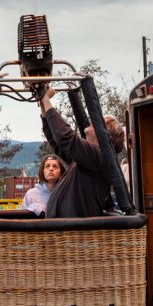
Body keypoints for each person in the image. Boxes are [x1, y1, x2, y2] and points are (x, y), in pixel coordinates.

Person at [39, 86, 126, 218]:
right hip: (65, 230)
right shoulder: (87, 159)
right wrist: (43, 108)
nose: (91, 122)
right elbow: (57, 143)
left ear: (105, 134)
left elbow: (65, 137)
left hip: (74, 232)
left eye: (97, 122)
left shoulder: (100, 157)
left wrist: (45, 99)